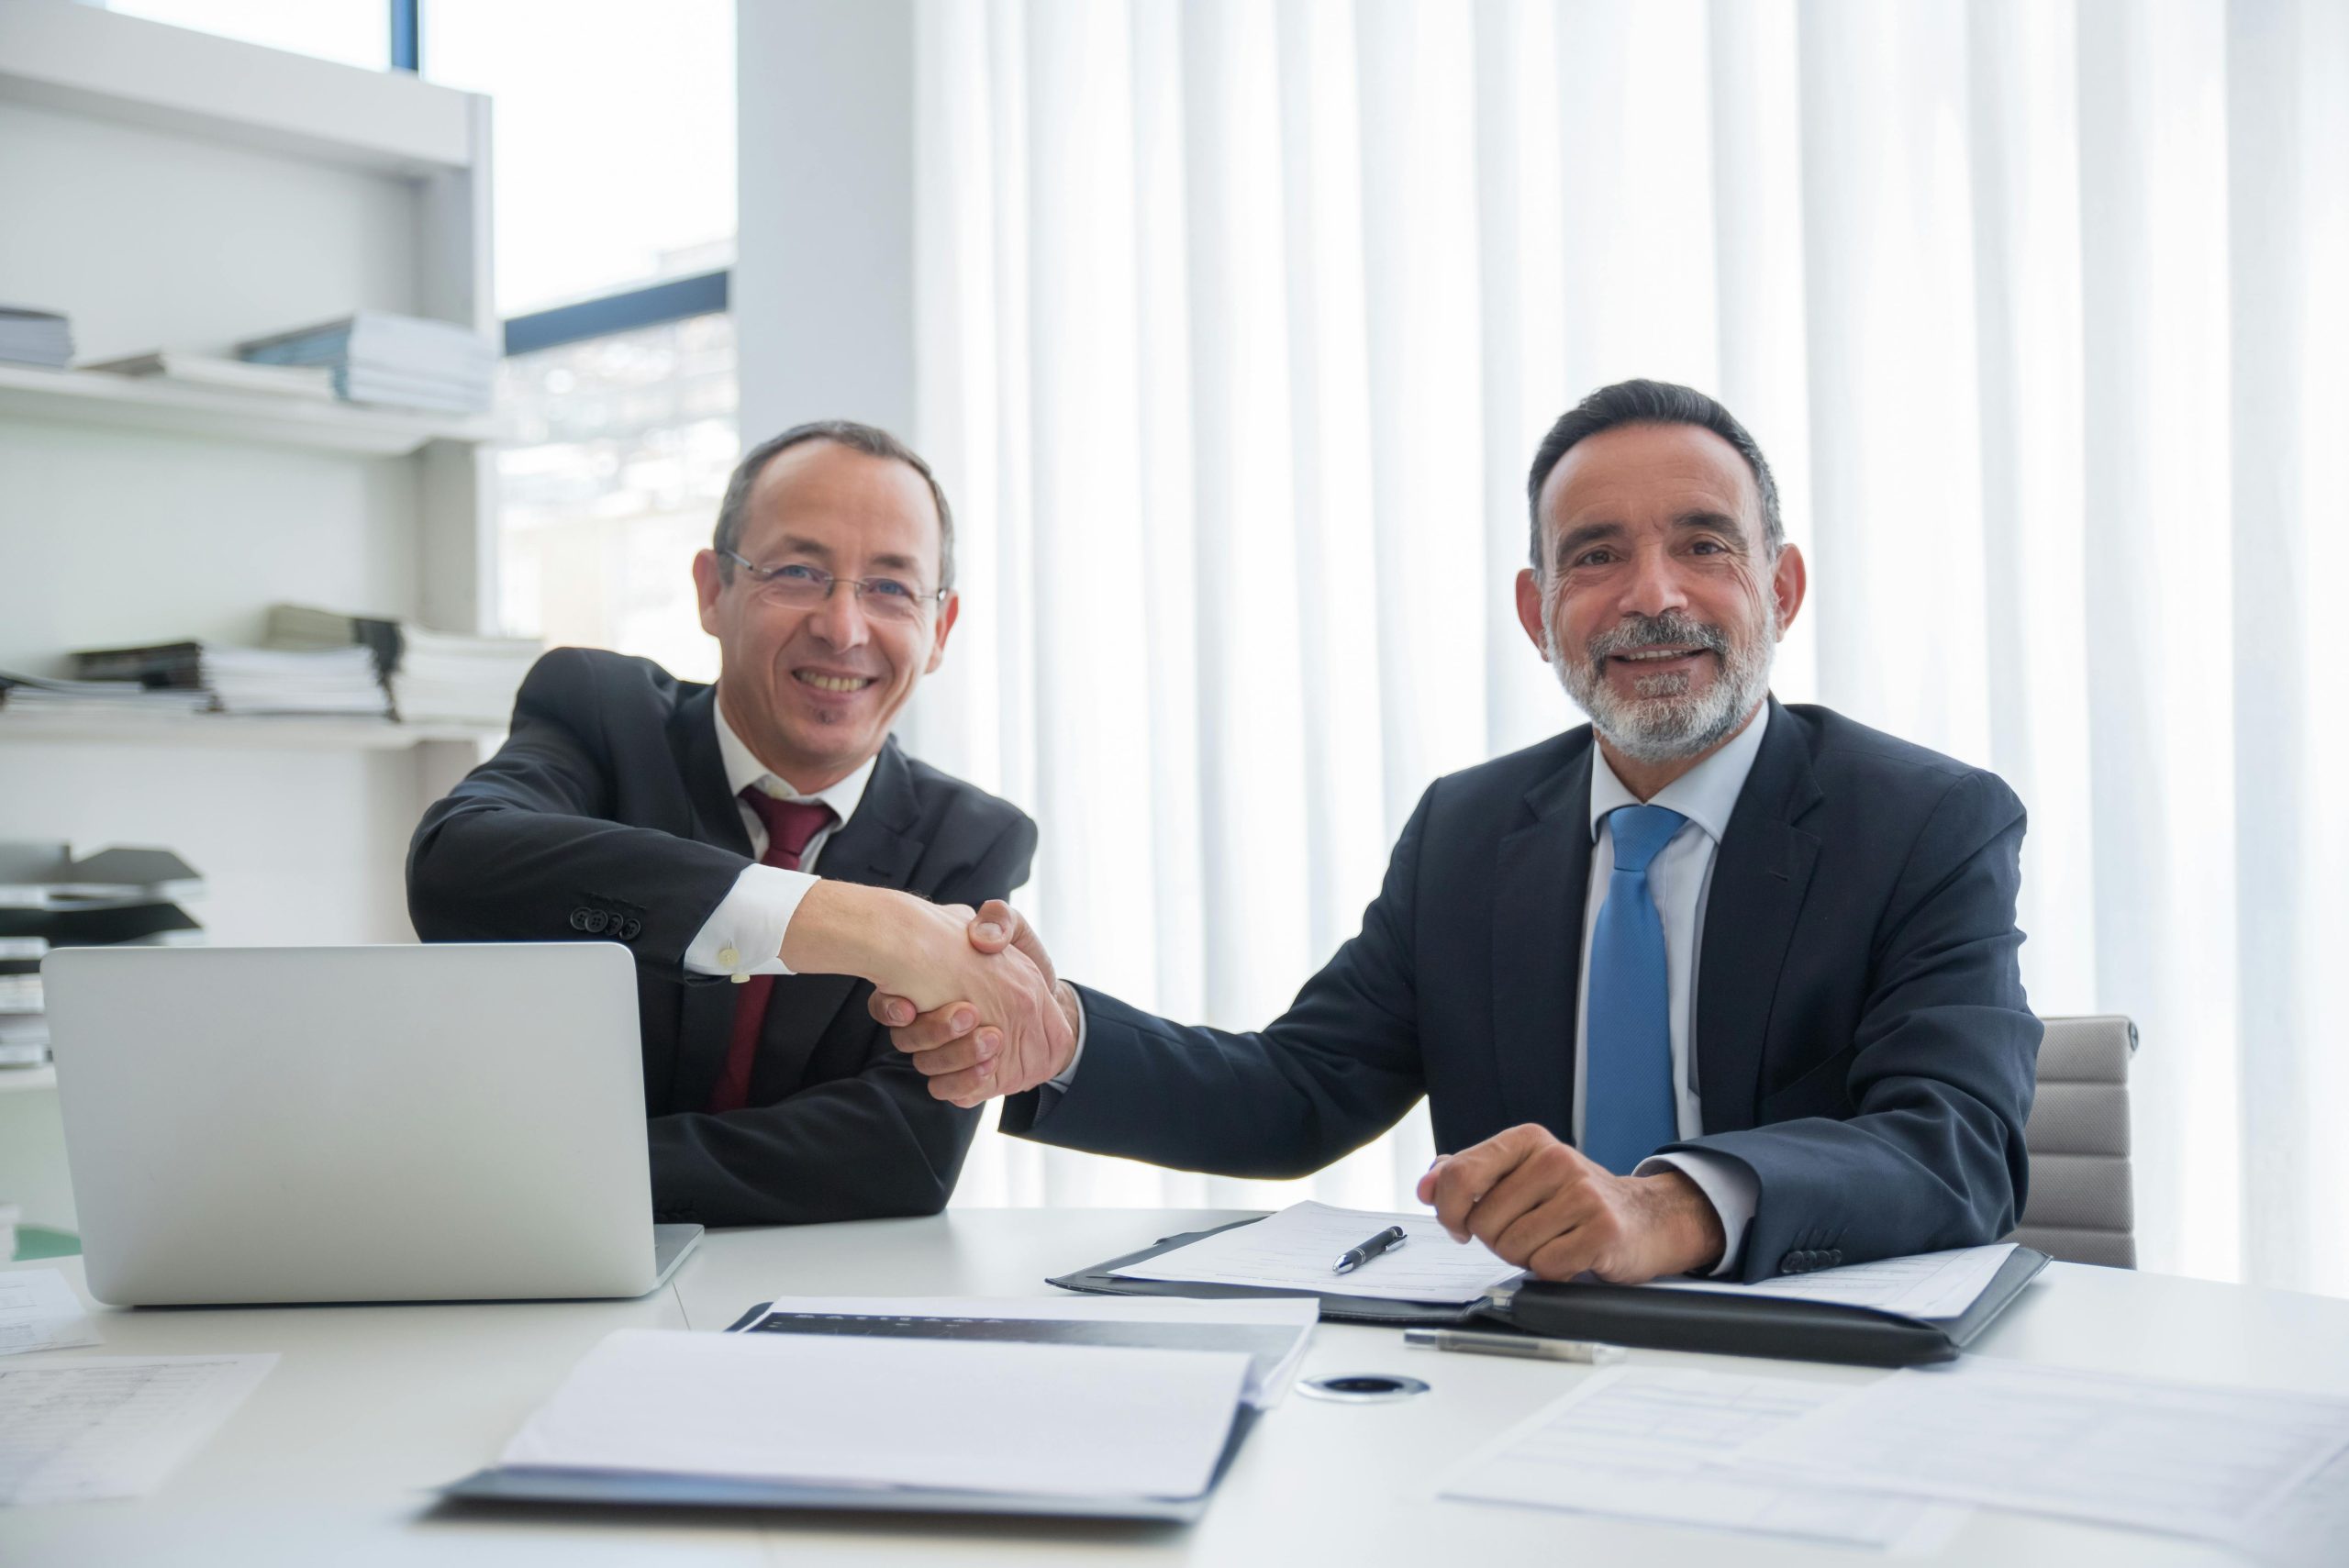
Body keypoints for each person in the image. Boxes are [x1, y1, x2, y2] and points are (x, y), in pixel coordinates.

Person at [876, 379, 2040, 1284]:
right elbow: (1298, 1091)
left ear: (1779, 589)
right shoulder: (1471, 830)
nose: (1652, 594)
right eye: (1595, 555)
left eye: (1702, 543)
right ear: (1538, 613)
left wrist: (1669, 1205)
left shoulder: (1924, 821)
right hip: (1521, 1379)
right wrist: (1063, 1035)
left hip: (1821, 1384)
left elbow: (1952, 1145)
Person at [408, 421, 1069, 1227]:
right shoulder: (598, 711)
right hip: (536, 1271)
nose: (843, 627)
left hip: (773, 1289)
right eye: (798, 571)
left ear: (940, 630)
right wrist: (856, 923)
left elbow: (902, 1149)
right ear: (711, 590)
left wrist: (552, 1173)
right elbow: (457, 862)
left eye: (891, 587)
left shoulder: (970, 839)